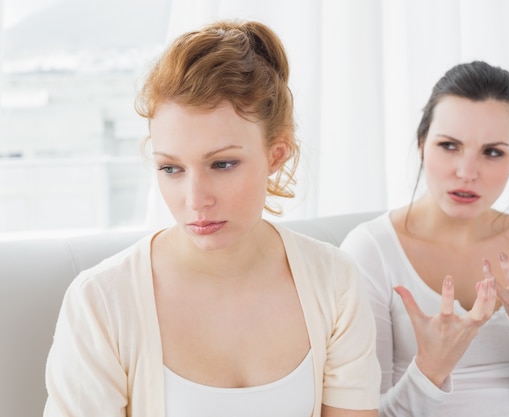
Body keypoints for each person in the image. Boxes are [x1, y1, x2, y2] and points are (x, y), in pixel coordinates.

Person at [43, 20, 380, 417]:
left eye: (222, 163)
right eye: (171, 169)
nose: (195, 199)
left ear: (276, 154)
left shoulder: (335, 281)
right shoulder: (100, 302)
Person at [340, 61, 509, 416]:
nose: (467, 172)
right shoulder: (370, 251)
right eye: (449, 145)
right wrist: (432, 368)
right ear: (422, 144)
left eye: (492, 152)